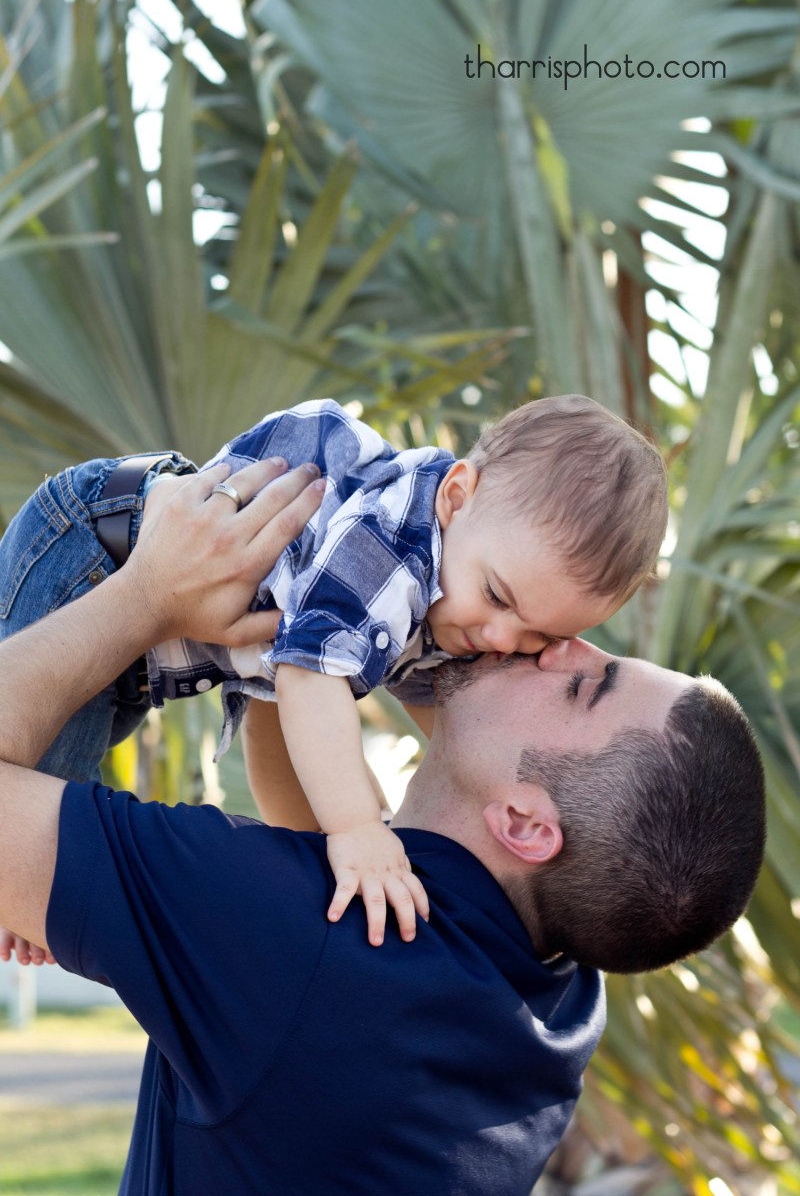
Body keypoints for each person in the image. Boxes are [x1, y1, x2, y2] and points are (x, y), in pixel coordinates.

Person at [0, 460, 765, 1195]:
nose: (559, 643)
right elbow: (303, 820)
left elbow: (308, 958)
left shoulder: (308, 951)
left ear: (526, 825)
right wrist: (306, 629)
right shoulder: (552, 1004)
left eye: (585, 686)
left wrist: (147, 598)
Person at [0, 394, 667, 949]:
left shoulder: (456, 580)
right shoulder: (392, 552)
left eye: (538, 635)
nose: (499, 638)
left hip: (138, 658)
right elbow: (310, 678)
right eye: (497, 597)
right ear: (458, 496)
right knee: (39, 799)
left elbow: (455, 726)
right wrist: (357, 830)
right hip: (96, 547)